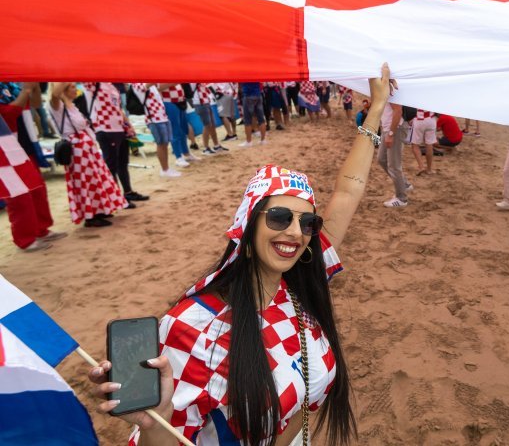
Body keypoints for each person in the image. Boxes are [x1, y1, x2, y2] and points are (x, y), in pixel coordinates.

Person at [88, 65, 396, 446]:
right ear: (246, 230)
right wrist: (157, 421)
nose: (296, 232)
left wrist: (378, 106)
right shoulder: (193, 327)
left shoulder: (296, 287)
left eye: (308, 222)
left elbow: (349, 191)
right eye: (280, 217)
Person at [49, 83, 128, 226]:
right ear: (64, 91)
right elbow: (54, 94)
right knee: (85, 183)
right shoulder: (58, 107)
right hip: (77, 150)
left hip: (87, 149)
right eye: (72, 87)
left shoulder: (72, 106)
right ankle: (91, 216)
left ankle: (100, 210)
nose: (76, 89)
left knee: (95, 180)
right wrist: (65, 74)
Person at [0, 82, 66, 251]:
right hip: (5, 151)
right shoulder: (17, 87)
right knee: (19, 197)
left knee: (37, 189)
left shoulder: (12, 84)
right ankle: (25, 239)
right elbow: (8, 113)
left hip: (24, 144)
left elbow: (35, 104)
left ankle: (41, 229)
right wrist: (27, 89)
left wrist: (34, 88)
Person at [83, 82, 149, 205]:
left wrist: (128, 124)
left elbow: (118, 108)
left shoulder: (112, 86)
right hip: (105, 129)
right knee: (111, 166)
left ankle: (127, 193)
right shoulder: (93, 83)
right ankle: (116, 198)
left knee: (123, 163)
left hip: (119, 128)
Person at [131, 83, 181, 178]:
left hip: (162, 116)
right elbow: (145, 87)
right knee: (161, 143)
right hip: (154, 118)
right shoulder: (137, 84)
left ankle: (166, 168)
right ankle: (164, 169)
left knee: (165, 143)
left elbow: (161, 86)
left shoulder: (151, 84)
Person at [377, 102, 411, 208]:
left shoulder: (390, 87)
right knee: (381, 159)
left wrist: (391, 134)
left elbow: (398, 110)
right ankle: (404, 184)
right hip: (387, 128)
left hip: (395, 128)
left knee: (394, 165)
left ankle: (402, 198)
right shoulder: (384, 87)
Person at [160, 84, 199, 168]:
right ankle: (178, 157)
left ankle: (186, 153)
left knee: (183, 129)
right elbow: (158, 88)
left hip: (180, 102)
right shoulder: (161, 75)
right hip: (169, 102)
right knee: (175, 131)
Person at [191, 83, 228, 155]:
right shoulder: (193, 81)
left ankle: (216, 145)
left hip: (206, 102)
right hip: (200, 103)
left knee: (212, 125)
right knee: (207, 125)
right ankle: (206, 148)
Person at [240, 82, 267, 147]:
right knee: (261, 119)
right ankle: (263, 140)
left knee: (247, 120)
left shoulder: (243, 73)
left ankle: (249, 141)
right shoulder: (255, 72)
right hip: (258, 95)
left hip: (248, 95)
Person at [410, 109, 436, 176]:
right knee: (429, 145)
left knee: (415, 145)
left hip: (419, 119)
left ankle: (421, 167)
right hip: (431, 119)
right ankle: (429, 169)